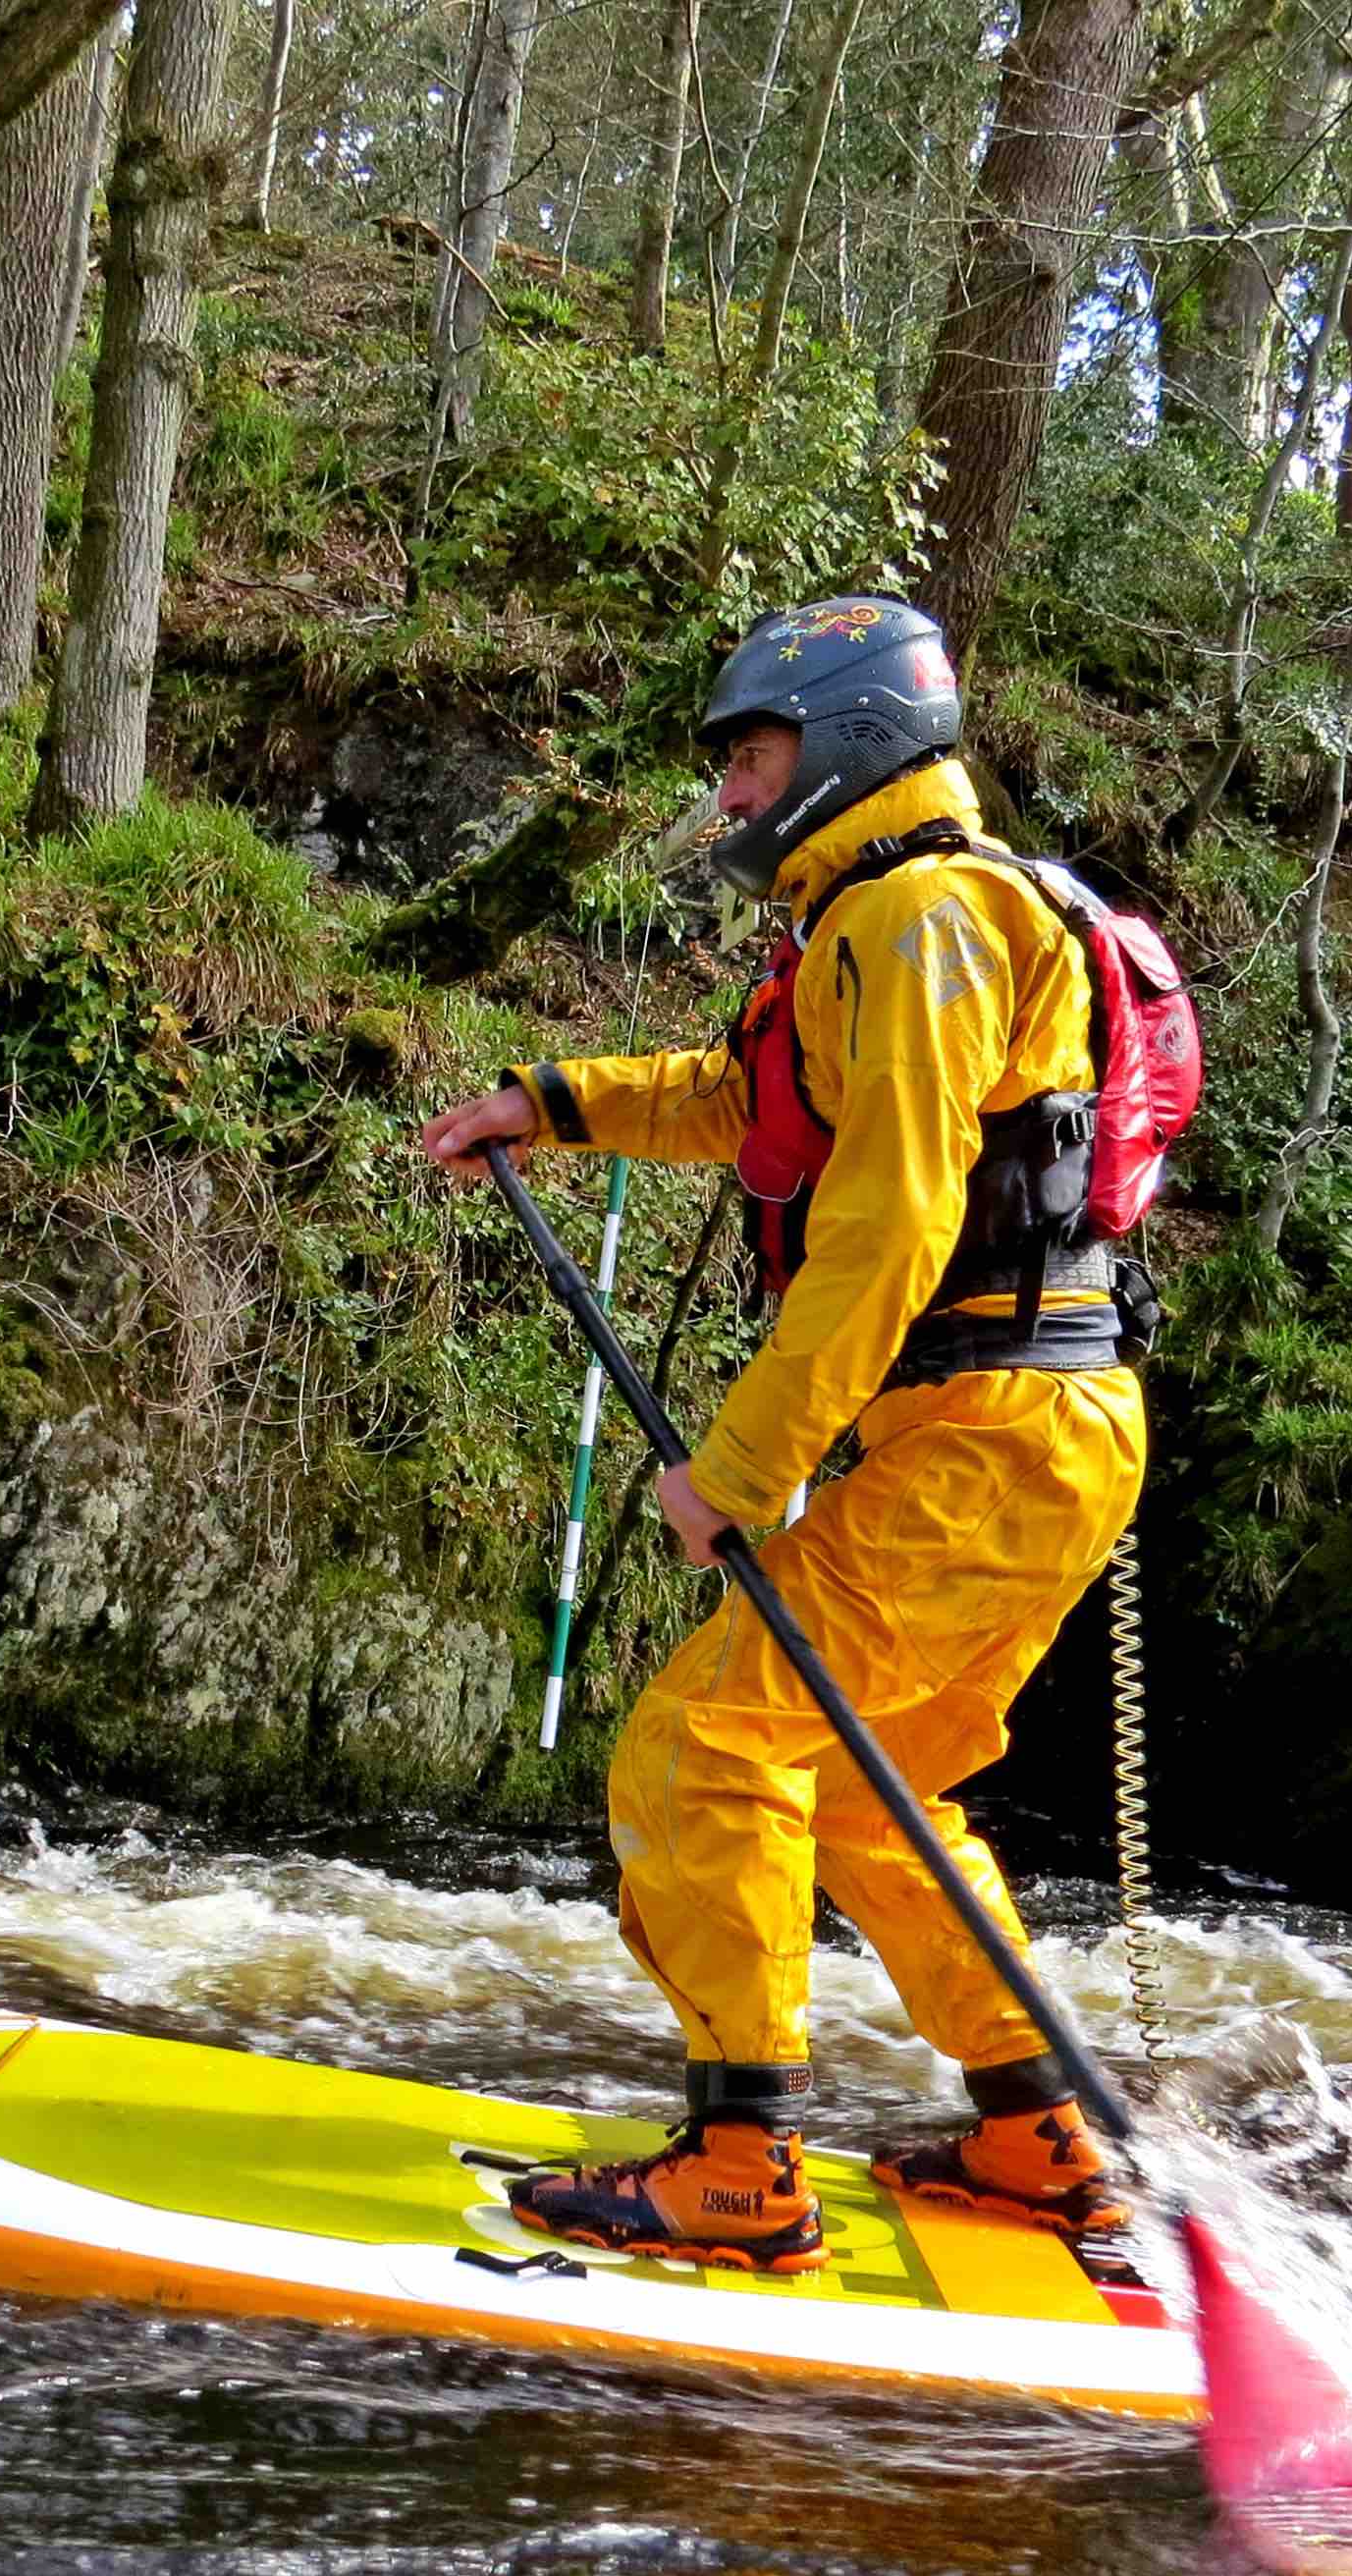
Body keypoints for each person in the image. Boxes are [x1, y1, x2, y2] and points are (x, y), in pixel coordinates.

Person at [415, 595, 1158, 2277]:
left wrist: (738, 1469)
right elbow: (767, 1104)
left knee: (703, 1747)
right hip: (1021, 1427)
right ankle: (1038, 2141)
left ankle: (742, 2166)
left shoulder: (917, 922)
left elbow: (888, 1221)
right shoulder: (890, 926)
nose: (732, 794)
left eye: (749, 756)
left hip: (992, 1427)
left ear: (846, 745)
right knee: (865, 1790)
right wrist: (561, 1100)